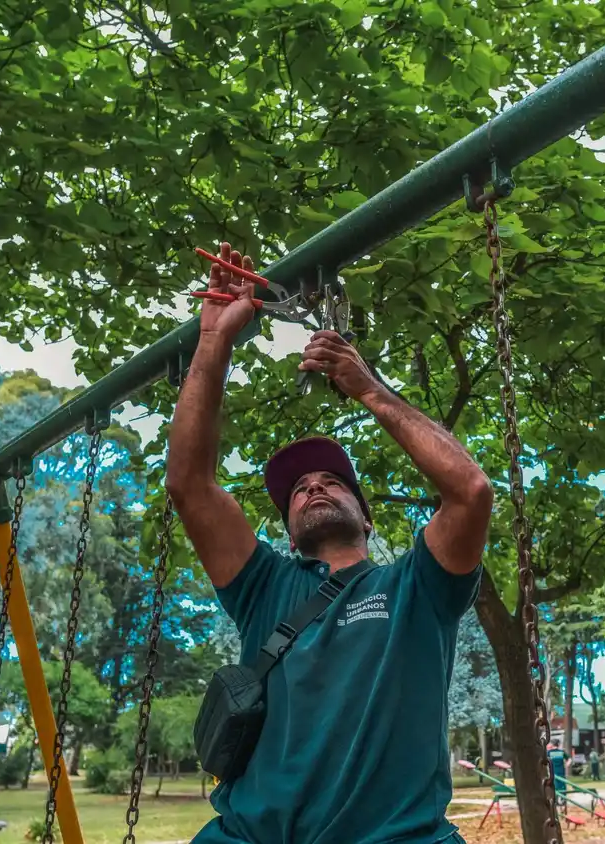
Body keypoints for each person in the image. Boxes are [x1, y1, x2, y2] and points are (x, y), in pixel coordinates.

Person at [167, 242, 495, 844]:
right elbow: (189, 484)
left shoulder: (418, 588)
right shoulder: (264, 586)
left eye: (332, 481)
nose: (313, 486)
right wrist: (214, 340)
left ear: (367, 520)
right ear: (288, 530)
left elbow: (470, 491)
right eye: (297, 490)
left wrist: (367, 387)